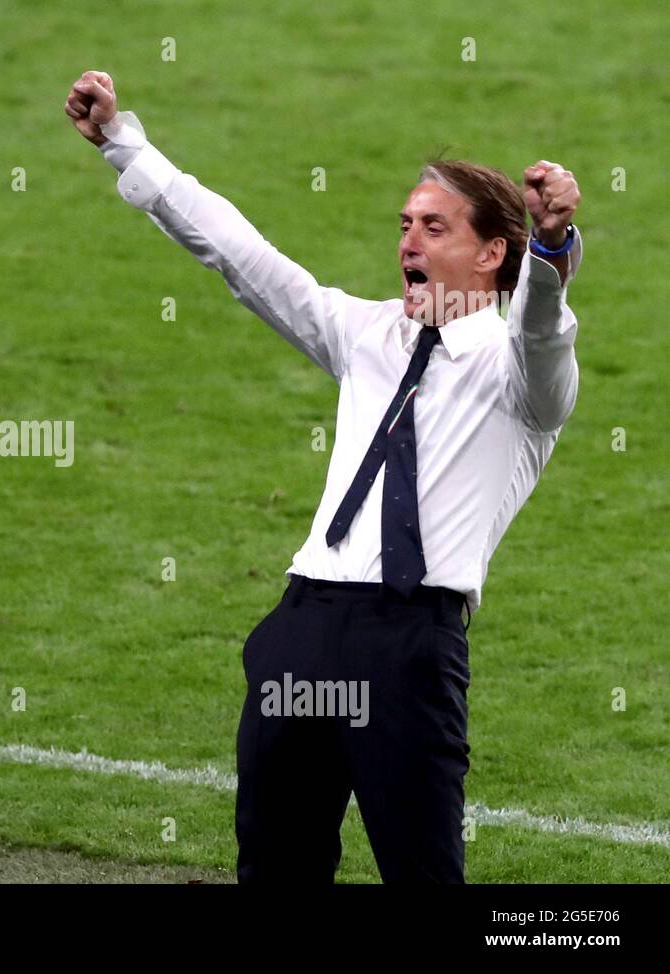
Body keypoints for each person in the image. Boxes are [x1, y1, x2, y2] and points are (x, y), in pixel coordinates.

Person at [65, 71, 582, 883]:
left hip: (410, 643)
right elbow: (239, 252)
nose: (409, 240)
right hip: (302, 629)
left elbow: (543, 333)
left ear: (490, 254)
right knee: (274, 864)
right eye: (405, 223)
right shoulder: (364, 333)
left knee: (422, 871)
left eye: (434, 227)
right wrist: (125, 142)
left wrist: (551, 249)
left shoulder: (520, 378)